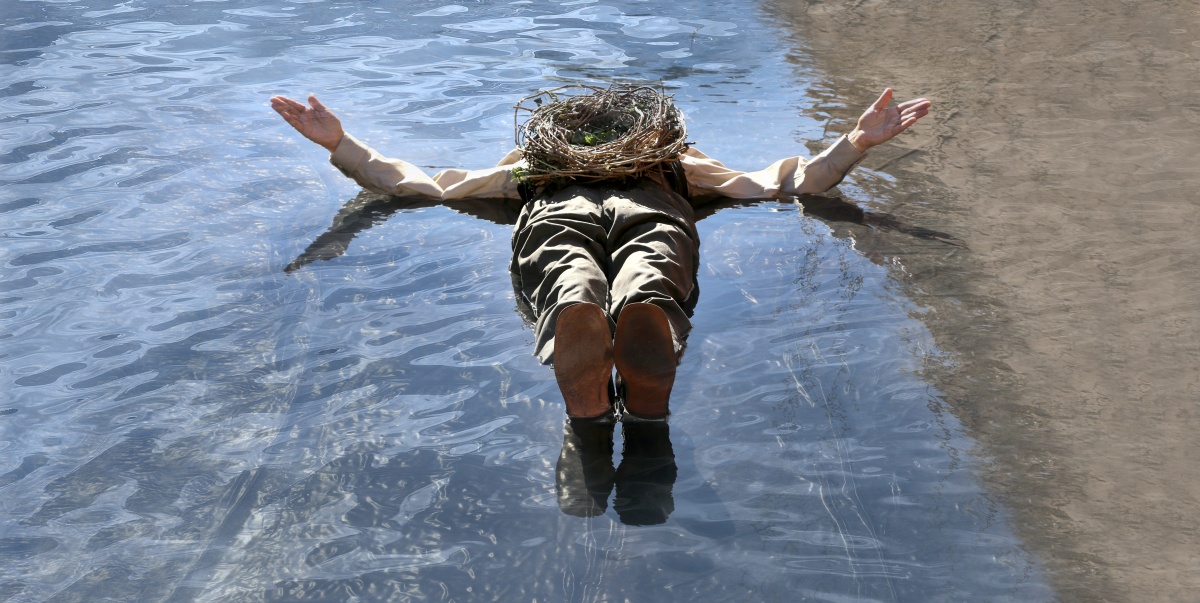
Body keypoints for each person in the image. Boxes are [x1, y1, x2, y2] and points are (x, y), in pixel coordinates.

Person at [270, 87, 930, 422]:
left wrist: (855, 141)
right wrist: (341, 142)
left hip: (591, 207)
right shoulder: (542, 163)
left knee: (592, 263)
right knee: (633, 263)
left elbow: (785, 179)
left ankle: (610, 342)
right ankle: (620, 342)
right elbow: (421, 183)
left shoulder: (671, 162)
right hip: (623, 207)